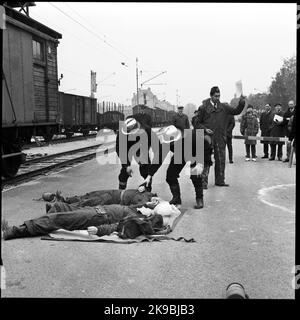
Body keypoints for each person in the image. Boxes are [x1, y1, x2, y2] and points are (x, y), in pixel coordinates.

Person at [2, 200, 168, 241]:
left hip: (97, 216)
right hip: (94, 211)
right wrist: (146, 203)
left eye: (152, 207)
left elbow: (119, 226)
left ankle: (15, 231)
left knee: (59, 219)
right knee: (60, 207)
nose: (149, 206)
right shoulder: (138, 208)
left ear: (150, 214)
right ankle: (42, 223)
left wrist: (101, 230)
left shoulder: (138, 218)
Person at [141, 125, 213, 209]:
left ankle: (199, 198)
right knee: (170, 175)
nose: (170, 144)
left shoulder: (193, 136)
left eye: (172, 143)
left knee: (195, 175)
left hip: (196, 152)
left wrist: (201, 164)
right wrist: (149, 175)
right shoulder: (167, 140)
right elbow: (159, 158)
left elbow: (206, 148)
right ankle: (176, 199)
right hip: (180, 153)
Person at [194, 86, 246, 187]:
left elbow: (236, 111)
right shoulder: (203, 108)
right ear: (211, 96)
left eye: (219, 96)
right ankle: (203, 183)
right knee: (206, 160)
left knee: (221, 160)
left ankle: (220, 180)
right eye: (215, 96)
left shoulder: (224, 107)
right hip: (207, 138)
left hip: (220, 138)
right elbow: (196, 123)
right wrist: (205, 129)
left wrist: (242, 102)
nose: (217, 98)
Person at [115, 114, 161, 191]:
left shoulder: (147, 130)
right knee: (124, 172)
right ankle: (121, 190)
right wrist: (126, 165)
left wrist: (150, 174)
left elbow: (159, 151)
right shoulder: (122, 132)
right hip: (127, 146)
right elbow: (120, 149)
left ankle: (147, 189)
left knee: (145, 169)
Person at [44, 188, 157, 213]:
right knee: (88, 195)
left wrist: (148, 204)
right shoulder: (148, 193)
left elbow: (135, 207)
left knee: (87, 202)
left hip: (114, 198)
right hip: (114, 192)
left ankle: (57, 208)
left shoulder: (145, 201)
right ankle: (65, 200)